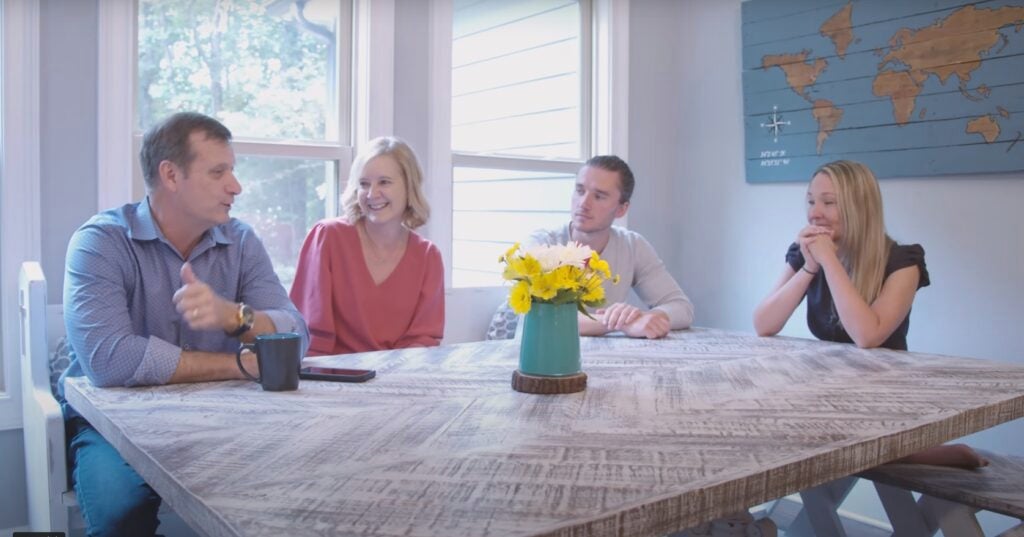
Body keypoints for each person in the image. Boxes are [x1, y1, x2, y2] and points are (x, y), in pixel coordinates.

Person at [60, 111, 310, 536]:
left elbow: (297, 337)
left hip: (225, 414)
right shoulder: (99, 242)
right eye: (218, 172)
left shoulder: (242, 241)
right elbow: (110, 361)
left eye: (232, 170)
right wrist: (241, 365)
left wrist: (234, 317)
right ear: (171, 175)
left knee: (292, 486)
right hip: (116, 421)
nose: (236, 186)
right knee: (120, 512)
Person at [752, 159, 986, 469]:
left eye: (828, 202)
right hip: (830, 385)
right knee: (768, 414)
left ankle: (906, 449)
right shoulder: (806, 254)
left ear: (859, 207)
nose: (815, 212)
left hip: (883, 391)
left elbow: (867, 336)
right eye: (811, 201)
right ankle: (907, 452)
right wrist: (809, 266)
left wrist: (829, 262)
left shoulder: (903, 262)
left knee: (801, 438)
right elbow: (763, 324)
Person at [290, 136, 444, 355]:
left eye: (384, 182)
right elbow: (310, 335)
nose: (372, 194)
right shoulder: (327, 237)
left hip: (400, 372)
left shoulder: (428, 256)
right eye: (364, 184)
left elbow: (424, 340)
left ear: (409, 187)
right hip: (330, 371)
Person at [525, 155, 694, 339]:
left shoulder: (632, 246)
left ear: (621, 209)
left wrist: (649, 318)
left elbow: (681, 307)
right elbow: (541, 317)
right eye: (580, 191)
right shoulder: (542, 244)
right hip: (542, 350)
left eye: (599, 196)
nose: (583, 203)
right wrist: (622, 323)